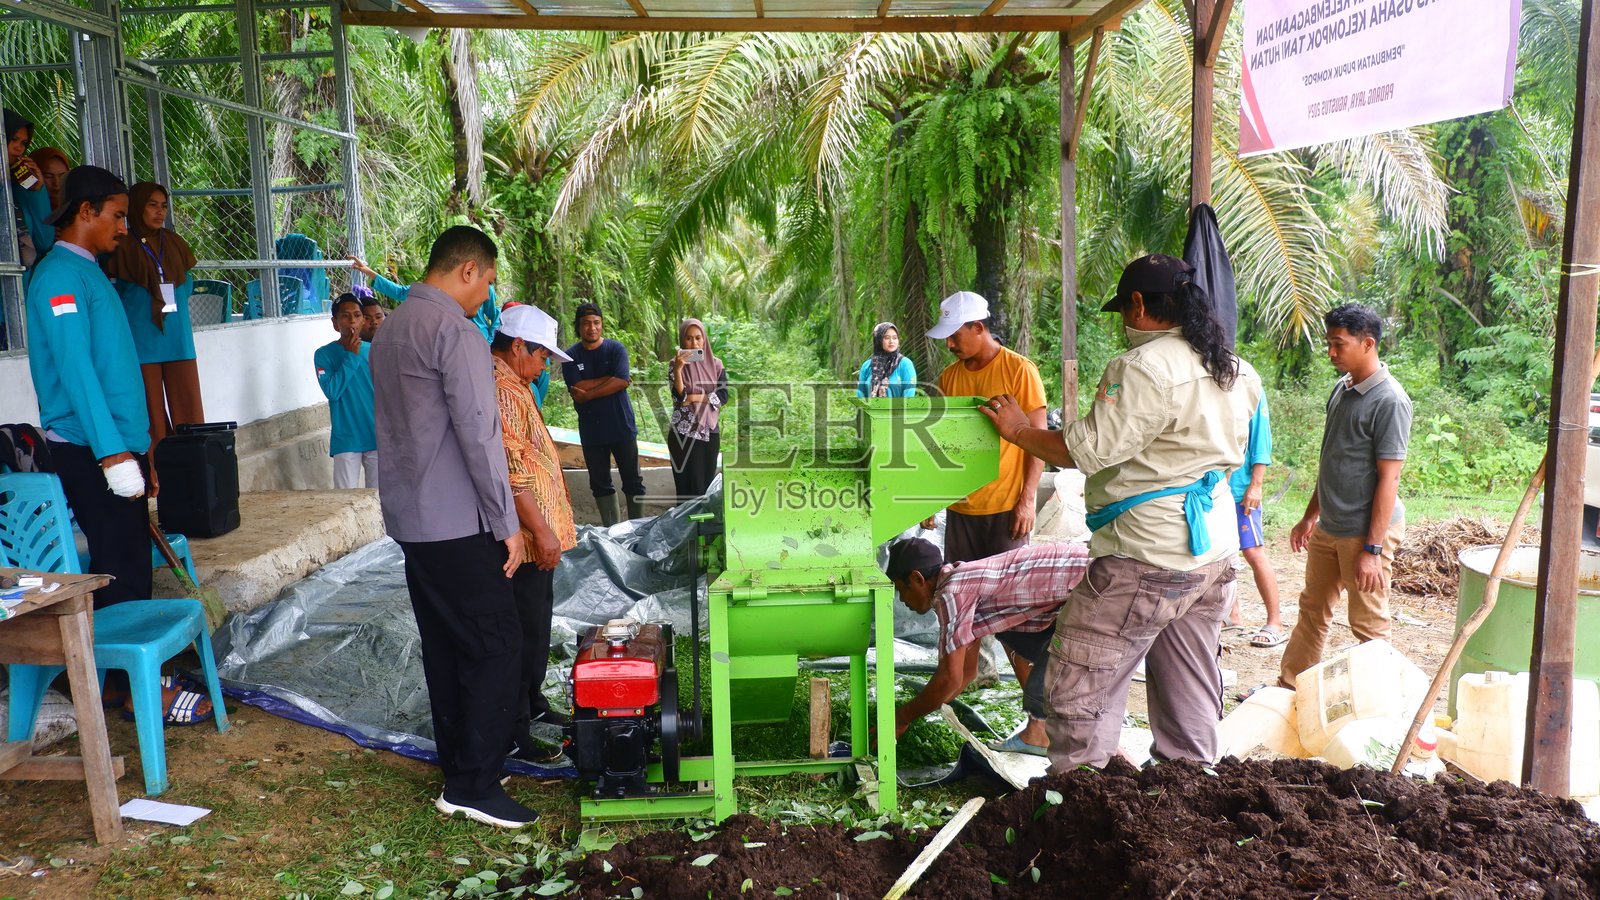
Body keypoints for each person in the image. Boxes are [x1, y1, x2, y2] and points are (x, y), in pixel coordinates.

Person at [981, 254, 1261, 770]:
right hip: (1213, 552)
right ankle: (1188, 790)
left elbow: (1087, 451)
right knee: (1190, 687)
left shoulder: (1141, 368)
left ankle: (1084, 799)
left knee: (1077, 685)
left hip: (1146, 555)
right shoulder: (1234, 367)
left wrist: (1020, 431)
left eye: (1123, 311)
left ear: (1138, 303)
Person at [369, 225, 535, 829]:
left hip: (413, 519)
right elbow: (478, 434)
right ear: (467, 271)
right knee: (496, 642)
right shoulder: (453, 332)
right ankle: (474, 784)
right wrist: (506, 521)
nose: (485, 297)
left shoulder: (391, 329)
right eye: (486, 283)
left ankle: (462, 764)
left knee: (446, 644)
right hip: (458, 520)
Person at [26, 166, 149, 607]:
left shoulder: (90, 270)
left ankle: (132, 674)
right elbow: (76, 370)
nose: (123, 228)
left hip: (115, 443)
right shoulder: (59, 276)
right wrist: (112, 453)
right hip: (92, 449)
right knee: (121, 574)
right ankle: (115, 677)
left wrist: (135, 444)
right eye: (117, 216)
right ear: (85, 211)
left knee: (132, 564)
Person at [1278, 303, 1411, 690]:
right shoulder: (1342, 387)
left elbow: (1389, 480)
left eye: (1339, 344)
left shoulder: (1390, 401)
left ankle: (1379, 709)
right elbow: (1333, 459)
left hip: (1366, 532)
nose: (1331, 353)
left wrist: (1371, 551)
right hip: (1330, 526)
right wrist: (1309, 516)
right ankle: (1291, 690)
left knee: (1368, 625)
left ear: (1368, 343)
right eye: (1329, 343)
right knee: (1312, 610)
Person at [886, 537, 1088, 756]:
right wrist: (921, 710)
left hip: (1093, 579)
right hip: (1076, 580)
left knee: (1053, 682)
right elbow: (966, 673)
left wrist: (902, 718)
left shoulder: (952, 592)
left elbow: (949, 678)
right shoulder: (958, 581)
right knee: (1015, 639)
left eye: (900, 589)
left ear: (917, 579)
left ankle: (1066, 743)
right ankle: (1043, 733)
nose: (902, 600)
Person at [489, 305, 577, 761]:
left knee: (536, 623)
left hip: (536, 539)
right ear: (518, 346)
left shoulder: (517, 384)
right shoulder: (501, 389)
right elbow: (512, 471)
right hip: (523, 540)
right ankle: (517, 730)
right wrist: (541, 532)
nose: (546, 365)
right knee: (522, 631)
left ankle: (534, 706)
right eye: (543, 355)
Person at [927, 292, 1047, 566]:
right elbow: (941, 440)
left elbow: (1038, 442)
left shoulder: (1019, 371)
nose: (949, 344)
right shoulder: (949, 377)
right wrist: (931, 497)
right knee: (959, 595)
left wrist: (1027, 501)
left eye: (954, 335)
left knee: (1005, 600)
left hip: (1006, 510)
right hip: (960, 509)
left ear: (978, 328)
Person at [102, 181, 205, 447]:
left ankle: (197, 468)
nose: (160, 212)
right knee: (151, 417)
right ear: (137, 207)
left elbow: (188, 284)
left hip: (176, 338)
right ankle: (159, 474)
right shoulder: (121, 245)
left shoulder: (175, 243)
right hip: (141, 341)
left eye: (164, 206)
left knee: (189, 413)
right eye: (152, 205)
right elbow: (115, 293)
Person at [561, 302, 645, 525]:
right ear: (578, 327)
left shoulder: (616, 349)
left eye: (596, 323)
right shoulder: (569, 356)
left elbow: (620, 381)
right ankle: (612, 532)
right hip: (592, 432)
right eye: (586, 324)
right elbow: (577, 387)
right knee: (599, 483)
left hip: (621, 426)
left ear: (602, 325)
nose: (592, 328)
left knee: (633, 480)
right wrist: (613, 379)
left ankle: (638, 529)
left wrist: (590, 393)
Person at [1230, 357, 1287, 649]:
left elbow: (1261, 441)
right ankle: (1233, 615)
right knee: (1220, 553)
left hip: (1241, 488)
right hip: (1210, 488)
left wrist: (1256, 484)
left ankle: (1275, 621)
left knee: (1253, 552)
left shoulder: (1247, 380)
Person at [351, 254, 500, 342]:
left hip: (480, 343)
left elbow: (496, 317)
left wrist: (489, 340)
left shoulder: (486, 290)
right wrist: (368, 272)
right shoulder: (433, 290)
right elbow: (400, 292)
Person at [315, 293, 377, 489]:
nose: (352, 320)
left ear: (363, 321)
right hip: (347, 439)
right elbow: (332, 391)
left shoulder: (376, 350)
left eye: (357, 315)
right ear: (335, 323)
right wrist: (351, 356)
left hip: (377, 436)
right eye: (345, 316)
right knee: (345, 501)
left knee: (380, 501)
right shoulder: (323, 354)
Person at [668, 318, 727, 500]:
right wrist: (678, 370)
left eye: (698, 338)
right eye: (688, 338)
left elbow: (723, 396)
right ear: (682, 340)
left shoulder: (716, 365)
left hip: (709, 433)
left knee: (704, 490)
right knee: (685, 490)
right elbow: (679, 397)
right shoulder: (674, 364)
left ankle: (704, 528)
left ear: (704, 339)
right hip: (683, 435)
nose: (694, 343)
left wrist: (694, 397)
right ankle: (685, 528)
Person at [5, 110, 53, 271]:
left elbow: (44, 242)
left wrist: (37, 191)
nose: (19, 148)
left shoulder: (19, 188)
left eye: (24, 143)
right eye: (13, 140)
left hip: (22, 286)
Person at [855, 322, 917, 398]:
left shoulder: (905, 364)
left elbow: (909, 395)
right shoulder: (867, 366)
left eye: (895, 338)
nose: (891, 341)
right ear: (878, 340)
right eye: (887, 338)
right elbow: (860, 396)